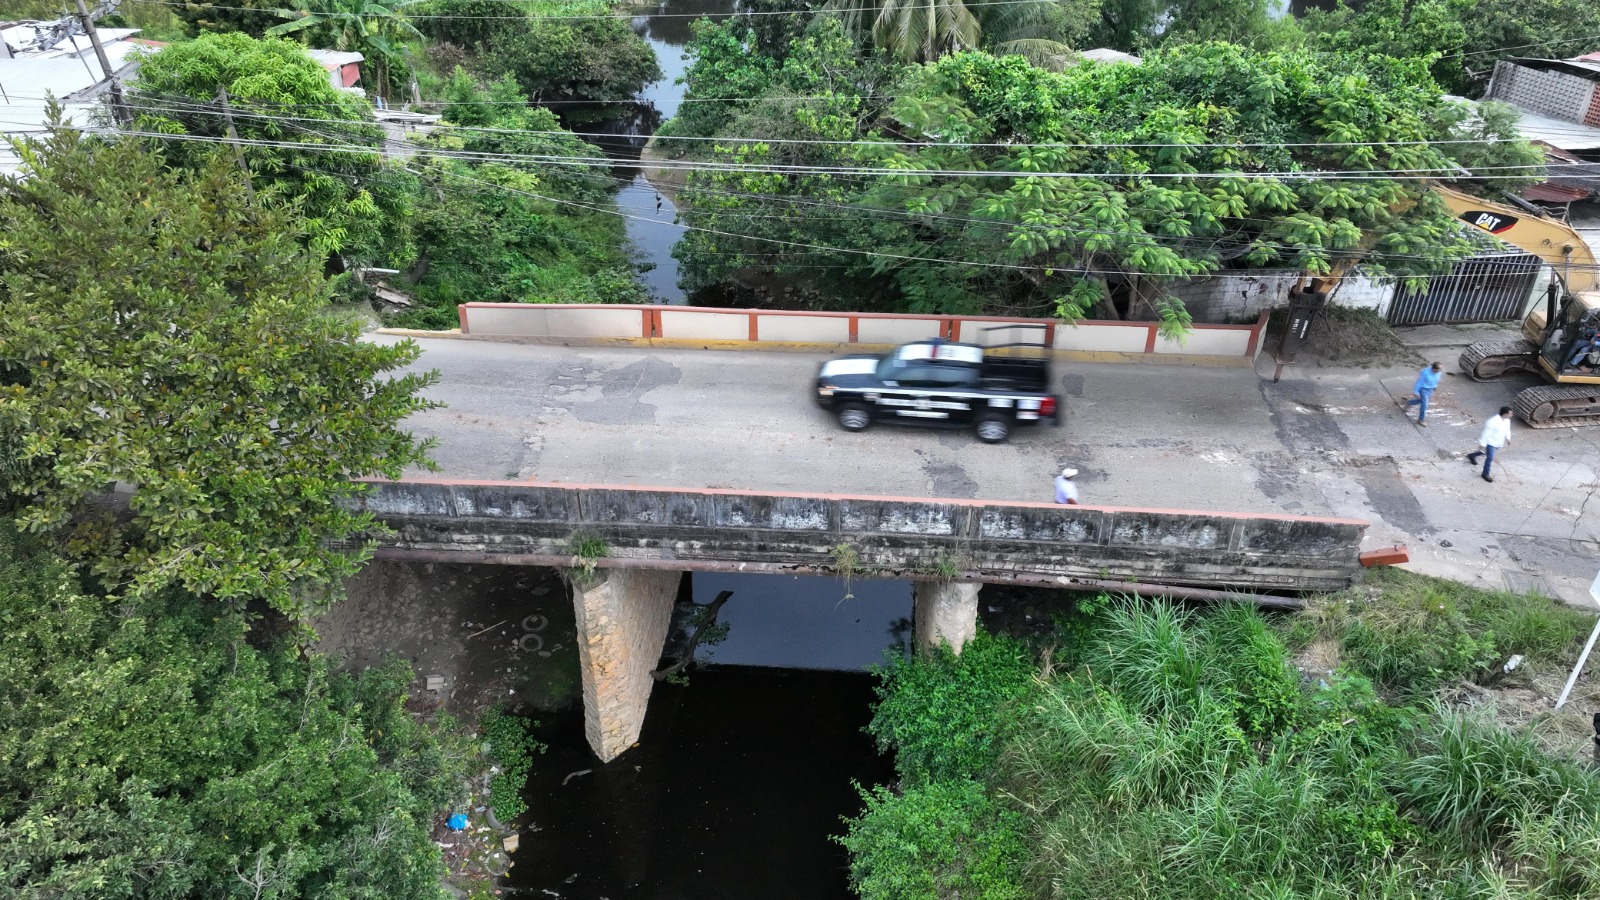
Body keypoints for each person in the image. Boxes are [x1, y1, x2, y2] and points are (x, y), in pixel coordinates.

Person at [1465, 406, 1513, 482]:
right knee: (1490, 457)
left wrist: (1508, 438)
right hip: (1490, 442)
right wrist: (1482, 444)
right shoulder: (1492, 421)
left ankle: (1471, 456)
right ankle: (1485, 473)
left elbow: (1507, 430)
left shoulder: (1507, 421)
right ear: (1505, 413)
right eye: (1510, 413)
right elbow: (1485, 433)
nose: (1511, 415)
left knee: (1485, 452)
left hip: (1498, 442)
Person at [1402, 362, 1443, 426]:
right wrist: (1416, 391)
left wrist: (1435, 386)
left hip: (1430, 390)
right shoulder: (1425, 373)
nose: (1439, 371)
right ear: (1434, 369)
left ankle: (1409, 402)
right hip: (1424, 390)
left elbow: (1436, 380)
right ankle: (1421, 420)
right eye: (1438, 370)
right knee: (1424, 405)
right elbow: (1419, 382)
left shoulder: (1438, 373)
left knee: (1422, 401)